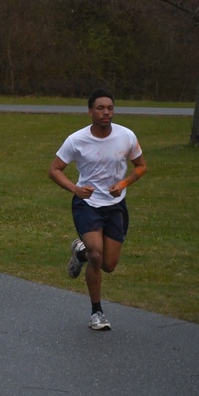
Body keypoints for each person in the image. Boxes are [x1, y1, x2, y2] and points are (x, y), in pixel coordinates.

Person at [48, 89, 147, 331]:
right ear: (90, 111)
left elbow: (141, 166)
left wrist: (123, 183)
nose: (106, 113)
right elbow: (55, 170)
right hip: (87, 204)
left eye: (110, 108)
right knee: (96, 254)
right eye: (100, 108)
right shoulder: (76, 140)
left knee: (109, 264)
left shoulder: (127, 136)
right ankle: (96, 312)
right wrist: (75, 188)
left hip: (115, 206)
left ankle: (79, 253)